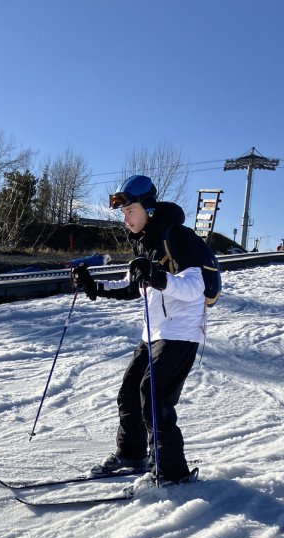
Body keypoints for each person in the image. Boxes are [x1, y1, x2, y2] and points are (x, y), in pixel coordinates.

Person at [73, 175, 221, 484]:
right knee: (129, 392)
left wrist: (159, 278)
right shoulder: (146, 243)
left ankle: (172, 473)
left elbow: (196, 286)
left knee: (154, 397)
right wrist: (94, 286)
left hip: (180, 332)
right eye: (123, 213)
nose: (125, 219)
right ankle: (132, 455)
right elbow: (132, 288)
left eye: (129, 211)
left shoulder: (177, 236)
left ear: (148, 209)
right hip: (153, 333)